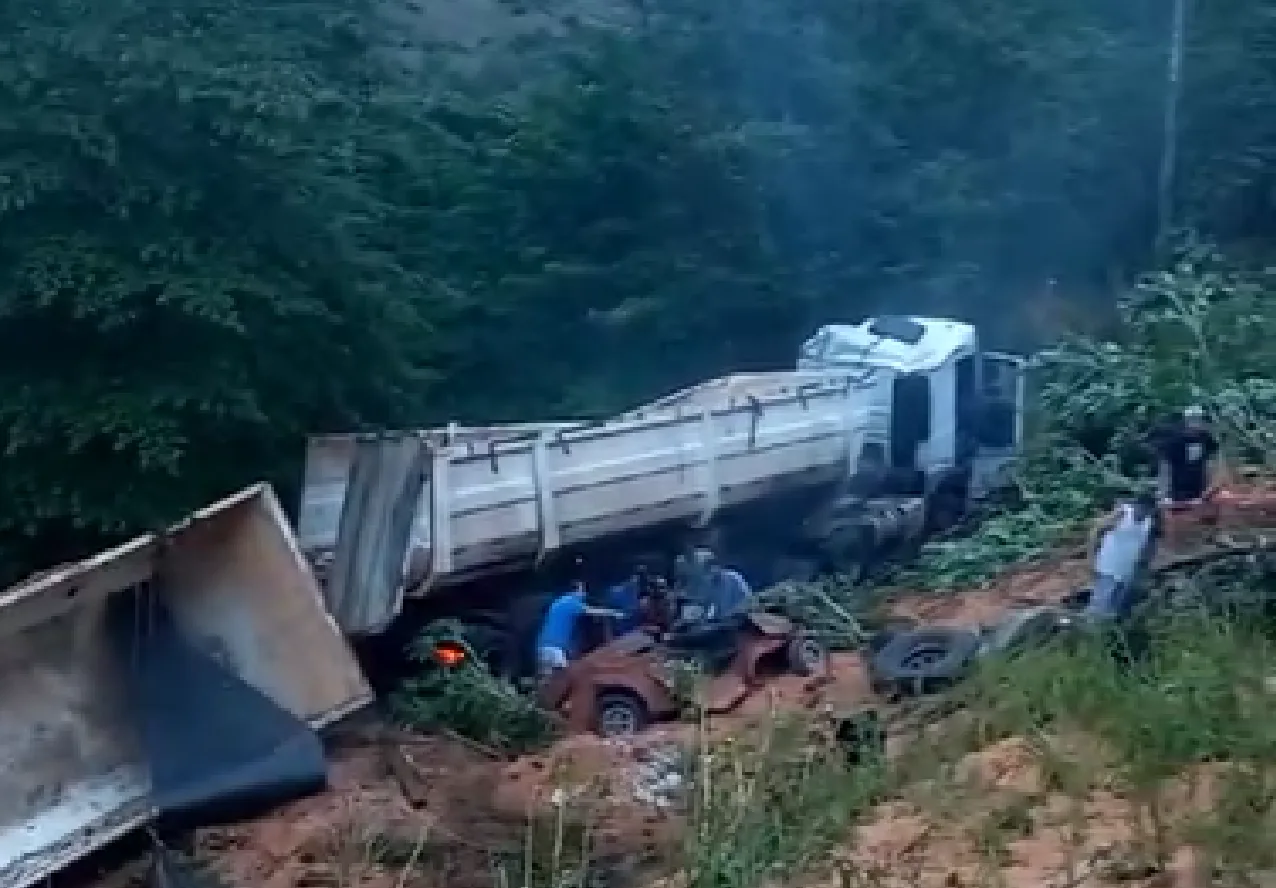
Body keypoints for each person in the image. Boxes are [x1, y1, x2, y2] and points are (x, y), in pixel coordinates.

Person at [1084, 490, 1161, 620]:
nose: (1143, 512)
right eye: (1142, 508)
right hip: (1107, 567)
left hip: (1126, 571)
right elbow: (1095, 531)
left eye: (1148, 510)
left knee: (1114, 609)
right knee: (1099, 606)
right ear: (1137, 505)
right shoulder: (1123, 513)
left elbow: (1148, 547)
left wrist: (1144, 566)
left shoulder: (1149, 522)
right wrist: (1090, 559)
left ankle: (1106, 635)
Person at [534, 581, 624, 677]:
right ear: (576, 591)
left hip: (542, 648)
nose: (584, 595)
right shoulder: (572, 603)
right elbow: (593, 611)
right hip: (555, 649)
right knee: (566, 679)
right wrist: (615, 613)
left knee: (548, 683)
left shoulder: (558, 602)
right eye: (583, 591)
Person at [1149, 406, 1219, 505]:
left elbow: (1212, 464)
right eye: (1194, 419)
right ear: (1186, 422)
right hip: (1178, 492)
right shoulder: (1175, 442)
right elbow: (1166, 468)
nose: (1197, 424)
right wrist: (1164, 495)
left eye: (1200, 419)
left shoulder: (1207, 440)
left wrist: (1211, 489)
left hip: (1202, 491)